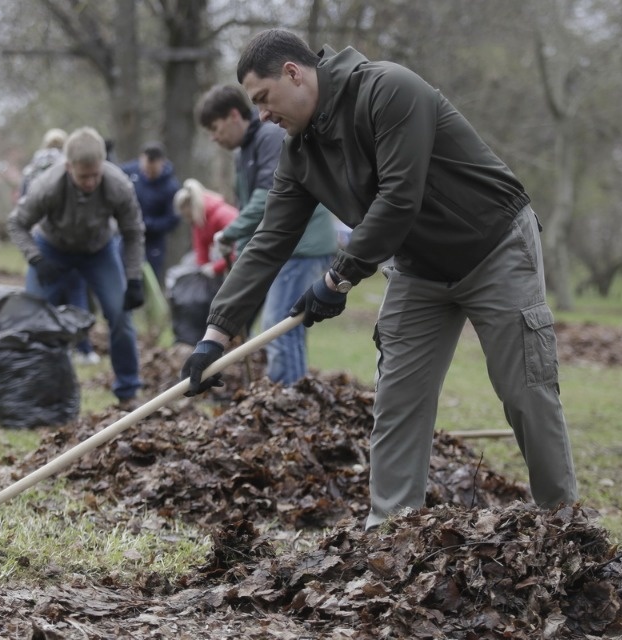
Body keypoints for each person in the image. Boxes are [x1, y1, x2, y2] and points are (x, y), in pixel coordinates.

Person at [181, 29, 579, 530]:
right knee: (397, 401)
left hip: (494, 245)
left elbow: (398, 199)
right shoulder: (298, 153)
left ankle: (564, 524)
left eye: (263, 99)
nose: (262, 115)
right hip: (417, 268)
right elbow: (268, 241)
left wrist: (337, 278)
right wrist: (215, 334)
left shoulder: (389, 90)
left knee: (525, 390)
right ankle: (390, 537)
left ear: (293, 73)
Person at [195, 83, 337, 385]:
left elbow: (267, 200)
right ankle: (295, 395)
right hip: (287, 247)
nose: (213, 137)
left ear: (234, 116)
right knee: (285, 327)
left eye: (216, 128)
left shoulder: (269, 137)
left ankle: (288, 401)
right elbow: (251, 206)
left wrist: (228, 233)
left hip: (301, 245)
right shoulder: (243, 151)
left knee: (278, 326)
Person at [7, 126, 146, 407]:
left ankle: (128, 390)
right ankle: (33, 392)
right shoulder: (48, 185)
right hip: (51, 249)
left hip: (99, 250)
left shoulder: (117, 184)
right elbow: (17, 224)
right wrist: (36, 258)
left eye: (96, 174)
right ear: (69, 167)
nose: (91, 182)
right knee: (33, 320)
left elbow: (133, 232)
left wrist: (133, 278)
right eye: (84, 176)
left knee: (120, 315)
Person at [19, 128, 99, 365]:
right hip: (71, 239)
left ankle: (42, 348)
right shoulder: (68, 167)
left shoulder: (31, 169)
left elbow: (23, 204)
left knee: (42, 298)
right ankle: (83, 349)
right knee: (76, 294)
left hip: (40, 239)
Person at [121, 141, 181, 283]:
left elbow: (173, 220)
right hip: (127, 237)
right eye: (145, 170)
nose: (147, 174)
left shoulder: (171, 187)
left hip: (153, 243)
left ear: (162, 163)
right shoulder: (131, 171)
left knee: (149, 281)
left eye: (152, 171)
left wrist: (148, 224)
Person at [172, 178, 237, 278]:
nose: (188, 220)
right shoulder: (198, 223)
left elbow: (239, 251)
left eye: (188, 216)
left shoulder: (223, 215)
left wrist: (215, 268)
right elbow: (201, 255)